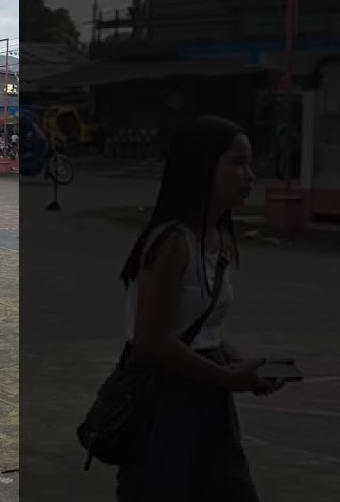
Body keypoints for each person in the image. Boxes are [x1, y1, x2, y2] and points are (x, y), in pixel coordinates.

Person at [113, 115, 282, 500]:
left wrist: (239, 363)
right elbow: (151, 341)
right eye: (237, 163)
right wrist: (231, 378)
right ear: (202, 167)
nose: (250, 176)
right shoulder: (172, 242)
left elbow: (200, 332)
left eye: (249, 164)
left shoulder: (219, 238)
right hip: (163, 398)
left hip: (207, 397)